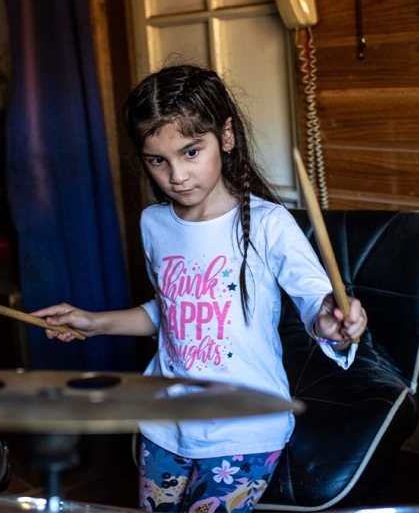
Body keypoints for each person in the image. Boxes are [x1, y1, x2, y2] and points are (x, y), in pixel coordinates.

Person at [31, 64, 368, 513]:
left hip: (245, 426)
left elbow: (315, 301)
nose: (177, 176)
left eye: (191, 152)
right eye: (158, 160)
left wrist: (331, 321)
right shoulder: (154, 223)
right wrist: (95, 323)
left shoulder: (267, 224)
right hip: (165, 423)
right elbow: (169, 312)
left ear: (225, 137)